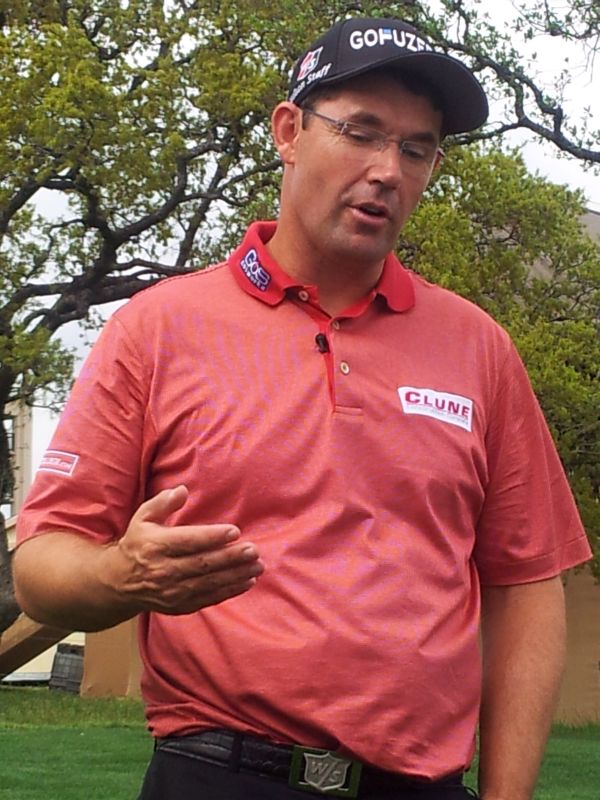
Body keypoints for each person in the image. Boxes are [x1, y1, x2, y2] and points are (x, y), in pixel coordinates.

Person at [13, 16, 592, 800]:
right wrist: (120, 574)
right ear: (289, 131)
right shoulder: (158, 329)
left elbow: (528, 583)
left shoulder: (478, 349)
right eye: (361, 132)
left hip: (420, 785)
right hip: (218, 774)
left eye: (416, 149)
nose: (388, 169)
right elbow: (43, 565)